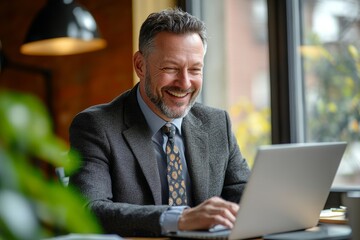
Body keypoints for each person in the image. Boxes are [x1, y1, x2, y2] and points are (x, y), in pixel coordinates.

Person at [69, 8, 251, 237]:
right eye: (170, 68)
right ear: (140, 65)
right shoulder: (96, 127)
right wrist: (180, 219)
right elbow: (87, 210)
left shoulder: (217, 123)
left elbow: (245, 195)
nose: (184, 83)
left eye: (195, 69)